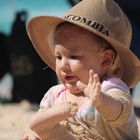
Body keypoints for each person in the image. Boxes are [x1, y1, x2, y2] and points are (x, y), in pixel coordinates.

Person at [22, 0, 140, 139]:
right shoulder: (56, 94)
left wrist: (101, 100)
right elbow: (35, 122)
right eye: (59, 57)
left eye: (73, 56)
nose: (63, 64)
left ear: (106, 59)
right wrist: (48, 119)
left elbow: (119, 113)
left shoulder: (110, 87)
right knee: (41, 131)